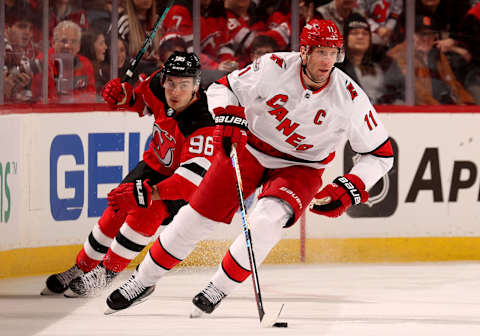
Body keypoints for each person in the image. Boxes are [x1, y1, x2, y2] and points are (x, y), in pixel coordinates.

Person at [104, 19, 394, 314]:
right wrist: (227, 115)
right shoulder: (273, 66)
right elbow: (221, 89)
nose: (328, 61)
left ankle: (218, 288)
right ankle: (143, 280)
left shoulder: (351, 97)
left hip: (302, 168)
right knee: (194, 218)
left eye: (333, 53)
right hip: (249, 150)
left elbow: (381, 154)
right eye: (321, 52)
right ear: (304, 52)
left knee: (266, 221)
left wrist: (353, 186)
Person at [40, 51, 216, 297]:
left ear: (196, 86)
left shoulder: (202, 123)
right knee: (115, 208)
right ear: (164, 79)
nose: (175, 91)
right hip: (152, 166)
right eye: (172, 83)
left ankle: (105, 273)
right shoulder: (157, 84)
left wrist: (148, 193)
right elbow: (142, 103)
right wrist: (124, 96)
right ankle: (81, 267)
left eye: (184, 85)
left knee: (145, 214)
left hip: (178, 181)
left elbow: (188, 185)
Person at [384, 15, 476, 105]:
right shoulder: (398, 54)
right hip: (412, 111)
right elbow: (415, 91)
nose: (426, 38)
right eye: (421, 34)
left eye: (430, 34)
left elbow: (453, 84)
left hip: (439, 110)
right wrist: (439, 111)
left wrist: (470, 106)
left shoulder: (437, 54)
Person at [31, 20, 96, 103]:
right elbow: (40, 97)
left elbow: (91, 96)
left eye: (73, 41)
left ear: (79, 46)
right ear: (53, 43)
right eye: (63, 41)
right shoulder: (42, 61)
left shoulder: (85, 64)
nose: (68, 46)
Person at [337, 13, 391, 104]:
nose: (360, 37)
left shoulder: (381, 66)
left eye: (365, 33)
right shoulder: (336, 69)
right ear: (345, 38)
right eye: (354, 33)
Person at [79, 28, 108, 98]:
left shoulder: (102, 70)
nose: (106, 47)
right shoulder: (83, 70)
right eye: (101, 43)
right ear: (91, 47)